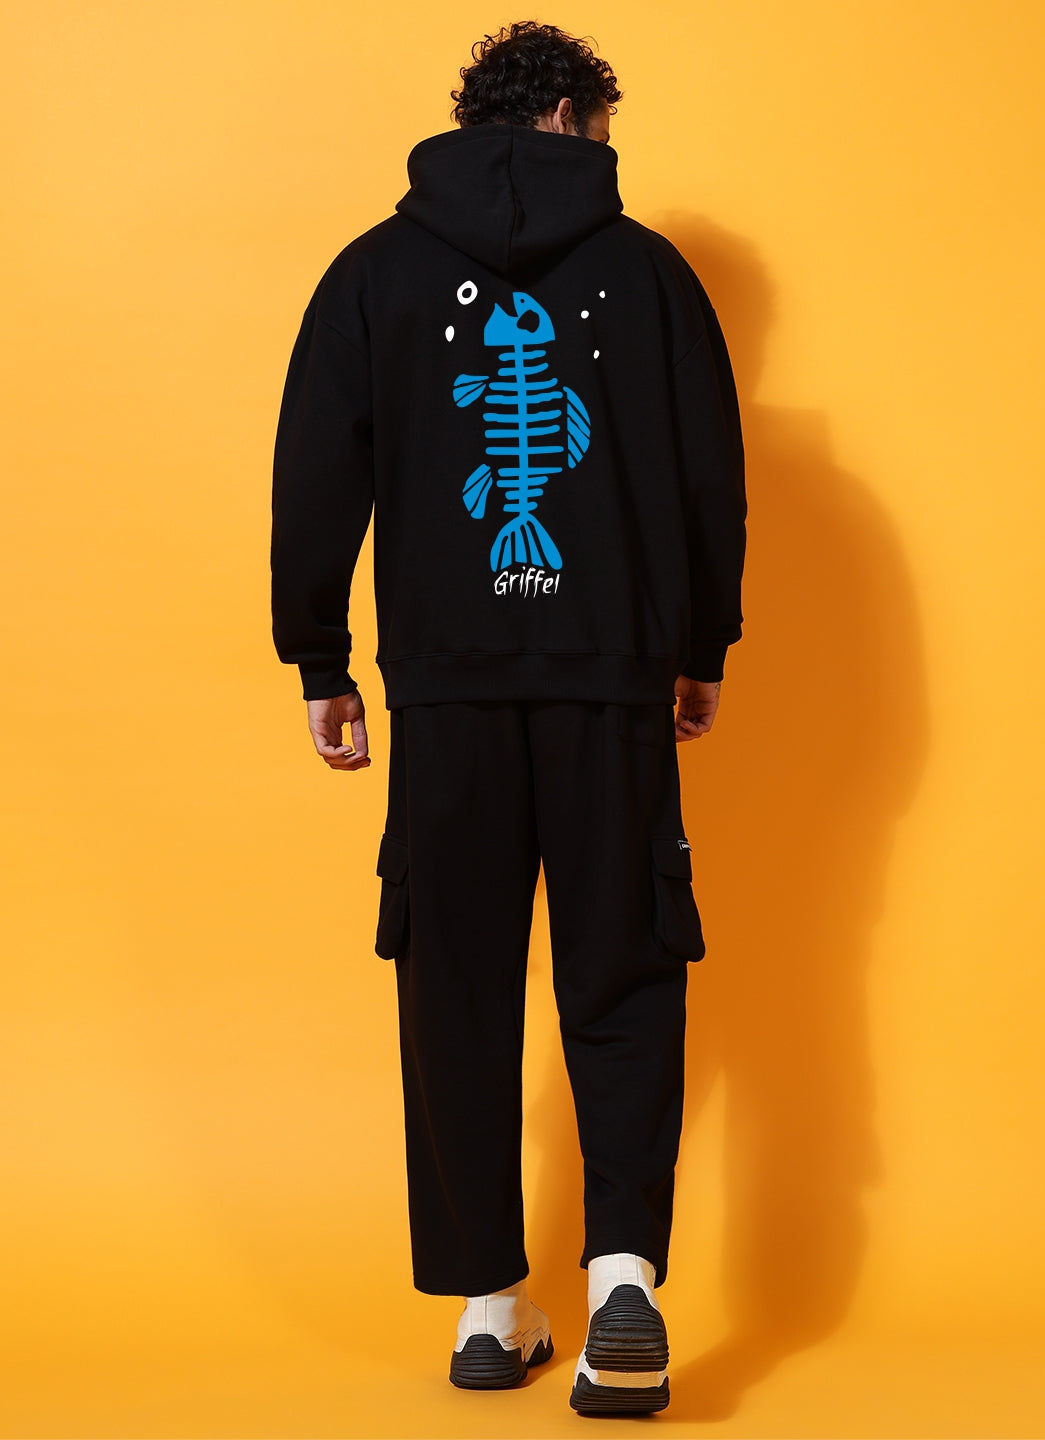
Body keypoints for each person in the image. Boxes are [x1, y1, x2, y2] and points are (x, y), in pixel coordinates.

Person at [270, 19, 747, 1417]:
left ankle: (490, 1305)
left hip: (446, 686)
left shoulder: (372, 273)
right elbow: (708, 474)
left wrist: (320, 659)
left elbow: (315, 467)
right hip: (611, 677)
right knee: (623, 969)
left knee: (456, 983)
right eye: (601, 131)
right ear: (567, 118)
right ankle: (623, 1286)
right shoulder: (651, 274)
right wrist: (699, 646)